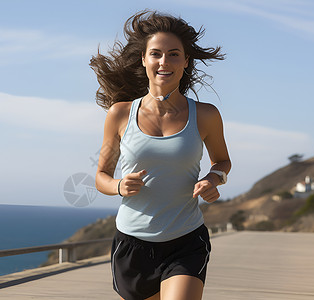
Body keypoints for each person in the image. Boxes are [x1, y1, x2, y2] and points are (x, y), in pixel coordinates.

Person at [90, 10, 231, 300]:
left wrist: (214, 178)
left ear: (186, 61)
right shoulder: (120, 114)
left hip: (186, 240)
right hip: (132, 246)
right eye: (156, 54)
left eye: (174, 54)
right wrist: (118, 185)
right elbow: (100, 176)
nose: (164, 61)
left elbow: (222, 160)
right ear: (144, 59)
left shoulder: (205, 115)